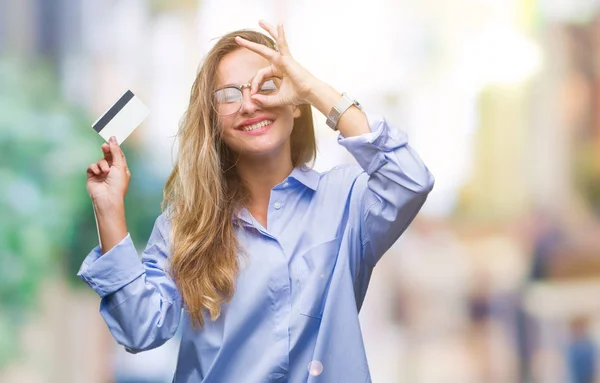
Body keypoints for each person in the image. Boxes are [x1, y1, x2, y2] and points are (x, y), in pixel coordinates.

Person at [79, 21, 434, 383]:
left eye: (267, 87)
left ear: (295, 104)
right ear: (213, 120)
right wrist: (108, 211)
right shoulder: (184, 223)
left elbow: (410, 179)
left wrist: (312, 88)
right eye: (230, 95)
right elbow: (140, 330)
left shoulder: (345, 199)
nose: (250, 104)